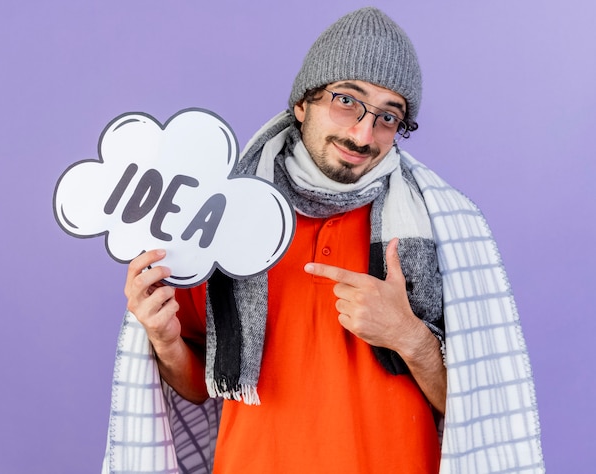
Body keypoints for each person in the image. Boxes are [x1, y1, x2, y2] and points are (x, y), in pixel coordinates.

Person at [104, 7, 544, 474]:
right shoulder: (225, 213)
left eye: (388, 116)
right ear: (302, 102)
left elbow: (482, 416)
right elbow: (202, 385)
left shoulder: (439, 227)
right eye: (346, 100)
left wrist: (410, 337)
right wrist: (165, 341)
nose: (362, 133)